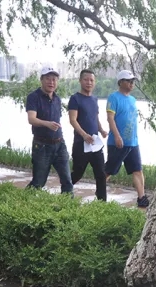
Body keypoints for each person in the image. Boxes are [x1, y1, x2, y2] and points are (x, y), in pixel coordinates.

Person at [25, 67, 73, 194]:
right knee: (38, 182)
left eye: (54, 79)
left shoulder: (57, 99)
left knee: (67, 181)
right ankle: (23, 199)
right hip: (42, 145)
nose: (51, 82)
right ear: (41, 80)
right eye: (48, 79)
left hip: (59, 144)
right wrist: (47, 124)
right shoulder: (33, 97)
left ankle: (68, 204)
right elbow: (31, 119)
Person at [105, 70, 149, 208]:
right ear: (120, 82)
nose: (131, 84)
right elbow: (110, 119)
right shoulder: (113, 97)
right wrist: (117, 136)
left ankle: (142, 198)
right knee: (109, 170)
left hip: (133, 142)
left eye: (132, 81)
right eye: (128, 81)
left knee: (137, 170)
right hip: (117, 142)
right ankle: (99, 192)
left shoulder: (133, 100)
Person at [68, 69, 109, 201]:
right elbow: (72, 120)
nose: (89, 82)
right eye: (86, 79)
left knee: (101, 174)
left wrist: (101, 130)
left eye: (91, 80)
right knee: (78, 173)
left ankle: (102, 202)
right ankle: (65, 193)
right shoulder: (75, 99)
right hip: (81, 143)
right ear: (80, 81)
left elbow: (95, 117)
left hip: (95, 143)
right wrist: (84, 135)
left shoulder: (94, 99)